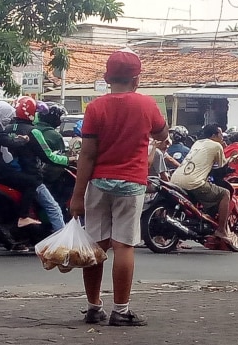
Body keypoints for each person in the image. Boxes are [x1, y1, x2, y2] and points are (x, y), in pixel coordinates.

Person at [70, 49, 169, 327]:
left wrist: (77, 196)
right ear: (136, 80)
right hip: (131, 184)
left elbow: (86, 155)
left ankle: (93, 308)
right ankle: (121, 311)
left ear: (106, 77)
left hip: (98, 183)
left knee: (95, 246)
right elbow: (162, 132)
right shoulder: (147, 105)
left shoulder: (95, 108)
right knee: (124, 245)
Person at [5, 96, 69, 233]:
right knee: (54, 208)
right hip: (31, 175)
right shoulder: (33, 132)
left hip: (11, 175)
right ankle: (62, 242)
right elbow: (48, 156)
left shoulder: (7, 128)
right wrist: (68, 160)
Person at [0, 101, 39, 228]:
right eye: (7, 115)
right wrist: (23, 139)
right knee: (32, 182)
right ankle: (23, 216)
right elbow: (10, 143)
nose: (9, 119)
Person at [171, 123, 231, 241]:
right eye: (220, 134)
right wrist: (228, 154)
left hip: (175, 179)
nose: (222, 137)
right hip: (193, 182)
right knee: (225, 194)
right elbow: (221, 165)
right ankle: (221, 230)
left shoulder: (198, 143)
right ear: (214, 135)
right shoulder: (216, 145)